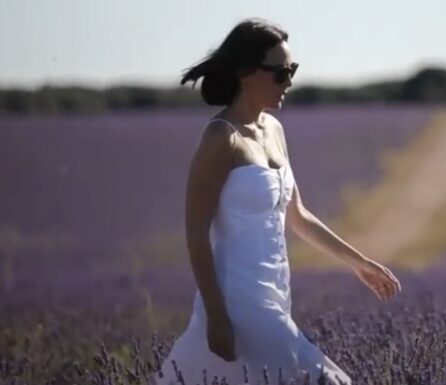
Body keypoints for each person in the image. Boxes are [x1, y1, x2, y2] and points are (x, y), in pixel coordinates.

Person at [152, 18, 402, 385]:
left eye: (292, 71)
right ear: (246, 73)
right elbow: (195, 235)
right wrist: (216, 313)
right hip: (236, 306)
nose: (289, 82)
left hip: (274, 301)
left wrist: (359, 263)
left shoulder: (274, 131)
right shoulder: (221, 137)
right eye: (281, 73)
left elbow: (297, 215)